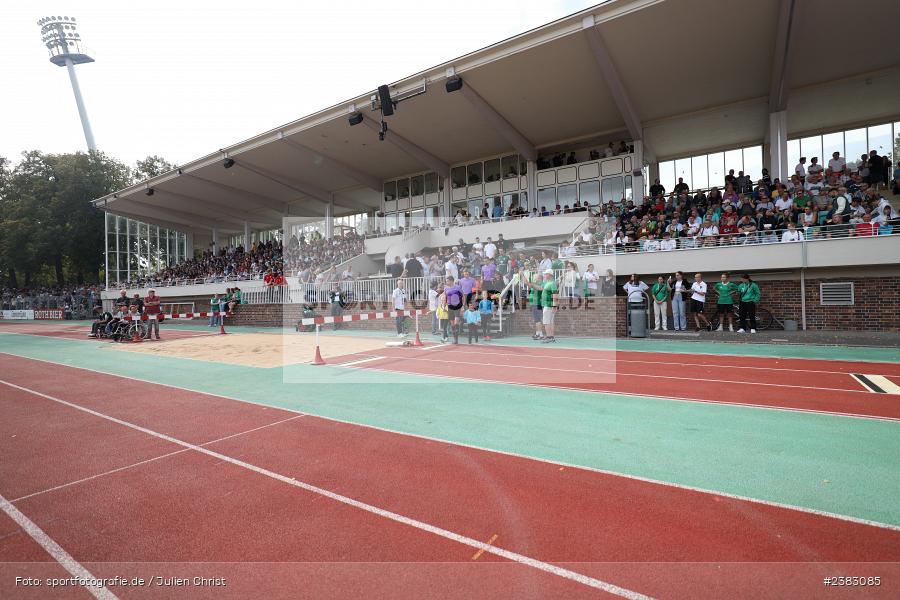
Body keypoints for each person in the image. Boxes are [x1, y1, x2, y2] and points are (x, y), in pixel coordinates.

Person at [523, 269, 559, 343]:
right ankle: (551, 337)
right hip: (546, 305)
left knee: (547, 322)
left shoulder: (552, 283)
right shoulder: (547, 283)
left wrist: (554, 306)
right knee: (550, 322)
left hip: (548, 305)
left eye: (546, 274)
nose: (544, 275)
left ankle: (549, 337)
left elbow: (555, 294)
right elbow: (539, 288)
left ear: (549, 275)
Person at [444, 276, 464, 344]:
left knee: (456, 323)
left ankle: (456, 339)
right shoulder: (446, 288)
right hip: (450, 307)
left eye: (447, 281)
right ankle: (455, 339)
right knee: (452, 324)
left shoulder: (457, 287)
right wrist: (444, 306)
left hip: (457, 306)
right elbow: (445, 297)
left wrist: (462, 306)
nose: (446, 282)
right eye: (446, 281)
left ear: (451, 281)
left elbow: (462, 296)